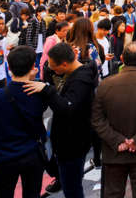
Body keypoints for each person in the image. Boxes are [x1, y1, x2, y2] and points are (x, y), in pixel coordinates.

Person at [90, 41, 136, 198]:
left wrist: (118, 141)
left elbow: (97, 119)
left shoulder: (106, 84)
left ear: (122, 58)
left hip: (114, 152)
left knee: (113, 193)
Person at [23, 42, 97, 198]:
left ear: (64, 63)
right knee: (70, 182)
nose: (52, 70)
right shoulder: (78, 73)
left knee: (72, 188)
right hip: (71, 142)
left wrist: (47, 90)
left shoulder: (80, 80)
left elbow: (66, 107)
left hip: (73, 144)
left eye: (54, 67)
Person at [0, 46, 47, 198]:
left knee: (3, 194)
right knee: (32, 194)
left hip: (6, 157)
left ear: (9, 67)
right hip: (32, 154)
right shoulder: (39, 94)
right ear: (33, 67)